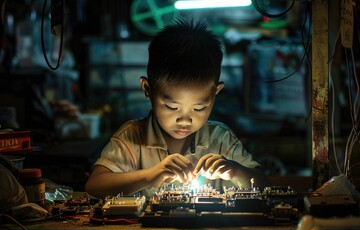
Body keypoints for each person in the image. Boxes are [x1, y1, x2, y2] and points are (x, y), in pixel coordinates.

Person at [85, 19, 270, 199]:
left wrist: (235, 171)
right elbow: (95, 186)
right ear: (148, 90)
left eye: (199, 108)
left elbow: (265, 186)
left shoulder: (220, 139)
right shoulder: (132, 137)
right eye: (172, 107)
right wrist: (149, 176)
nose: (185, 120)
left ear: (215, 93)